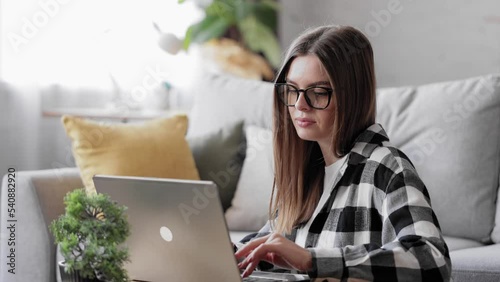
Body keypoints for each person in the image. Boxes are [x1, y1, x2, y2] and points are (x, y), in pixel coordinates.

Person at [234, 25, 452, 281]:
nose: (300, 105)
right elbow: (265, 249)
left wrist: (310, 259)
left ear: (352, 96)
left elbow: (432, 260)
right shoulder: (308, 174)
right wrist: (224, 253)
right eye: (292, 90)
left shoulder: (384, 166)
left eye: (318, 93)